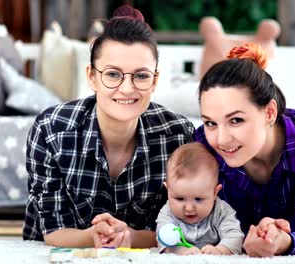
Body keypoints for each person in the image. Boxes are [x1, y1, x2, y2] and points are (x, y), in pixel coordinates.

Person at [23, 5, 194, 248]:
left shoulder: (179, 136)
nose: (127, 88)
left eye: (141, 76)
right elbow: (52, 229)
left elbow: (187, 228)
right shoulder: (51, 131)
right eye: (113, 74)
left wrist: (129, 237)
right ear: (91, 77)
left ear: (155, 80)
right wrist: (93, 236)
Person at [194, 43, 295, 257]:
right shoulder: (202, 145)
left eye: (236, 120)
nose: (221, 139)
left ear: (269, 112)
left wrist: (282, 241)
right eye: (210, 123)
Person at [156, 142, 244, 255]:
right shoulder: (167, 212)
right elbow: (163, 236)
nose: (188, 208)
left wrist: (221, 250)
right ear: (168, 190)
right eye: (179, 198)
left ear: (215, 193)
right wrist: (179, 250)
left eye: (198, 199)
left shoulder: (222, 211)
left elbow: (235, 235)